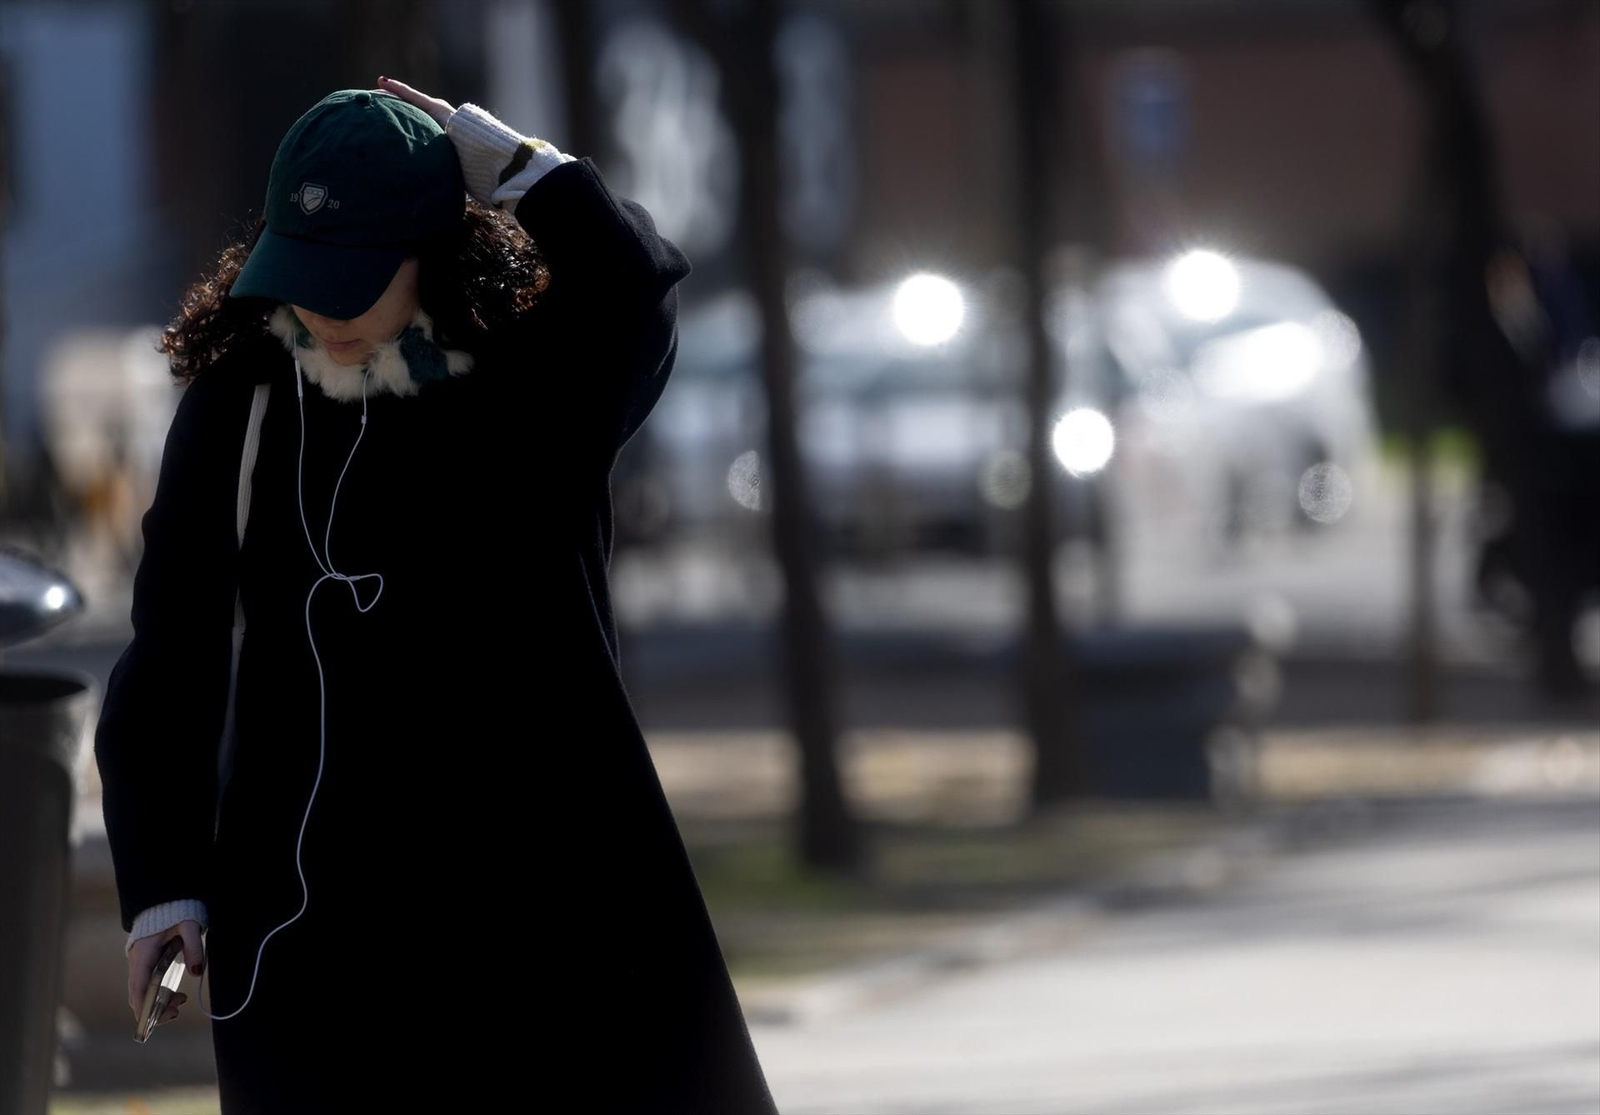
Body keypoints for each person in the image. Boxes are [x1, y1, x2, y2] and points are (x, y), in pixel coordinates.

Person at [94, 79, 778, 1113]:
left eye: (355, 277)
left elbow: (633, 282)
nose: (324, 307)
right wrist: (164, 888)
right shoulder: (240, 400)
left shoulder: (534, 381)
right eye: (304, 273)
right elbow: (171, 647)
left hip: (536, 928)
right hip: (305, 942)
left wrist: (522, 170)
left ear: (433, 250)